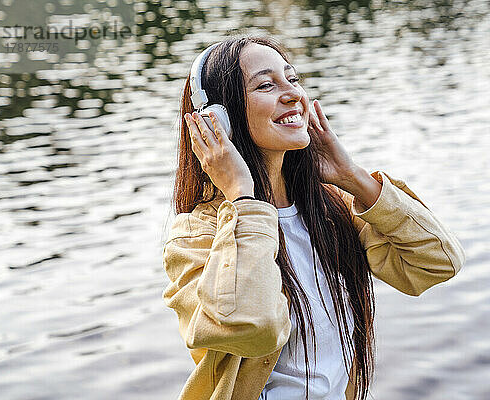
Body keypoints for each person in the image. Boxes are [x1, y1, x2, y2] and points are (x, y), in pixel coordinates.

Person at [162, 36, 466, 400]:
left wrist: (354, 178)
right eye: (265, 84)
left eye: (292, 79)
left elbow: (437, 262)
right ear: (219, 121)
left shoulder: (330, 209)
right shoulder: (196, 236)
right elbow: (251, 327)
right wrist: (243, 196)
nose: (293, 94)